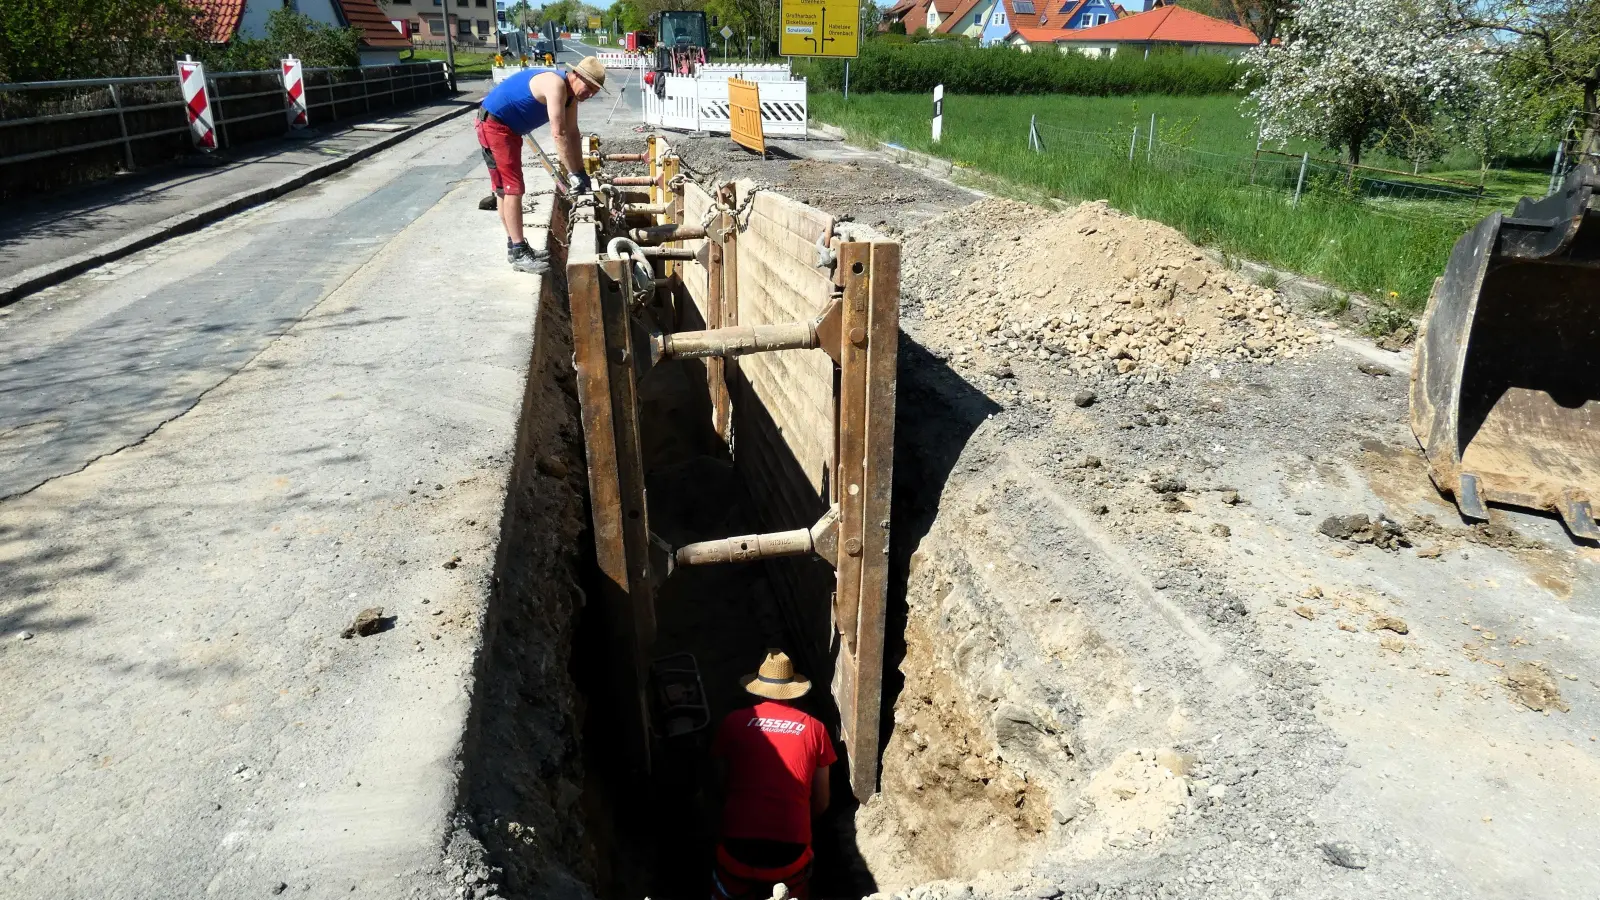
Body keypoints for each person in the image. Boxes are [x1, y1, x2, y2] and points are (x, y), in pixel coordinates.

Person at [710, 650, 836, 900]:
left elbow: (718, 787)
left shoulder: (732, 722)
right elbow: (822, 802)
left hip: (736, 856)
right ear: (792, 691)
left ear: (757, 689)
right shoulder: (815, 729)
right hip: (790, 861)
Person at [475, 57, 607, 274]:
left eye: (595, 91)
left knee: (505, 190)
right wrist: (572, 174)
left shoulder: (570, 97)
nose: (590, 94)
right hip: (495, 125)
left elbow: (573, 133)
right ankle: (518, 251)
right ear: (577, 75)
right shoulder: (555, 85)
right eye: (589, 87)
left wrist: (581, 173)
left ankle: (515, 246)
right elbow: (559, 133)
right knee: (512, 188)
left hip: (508, 128)